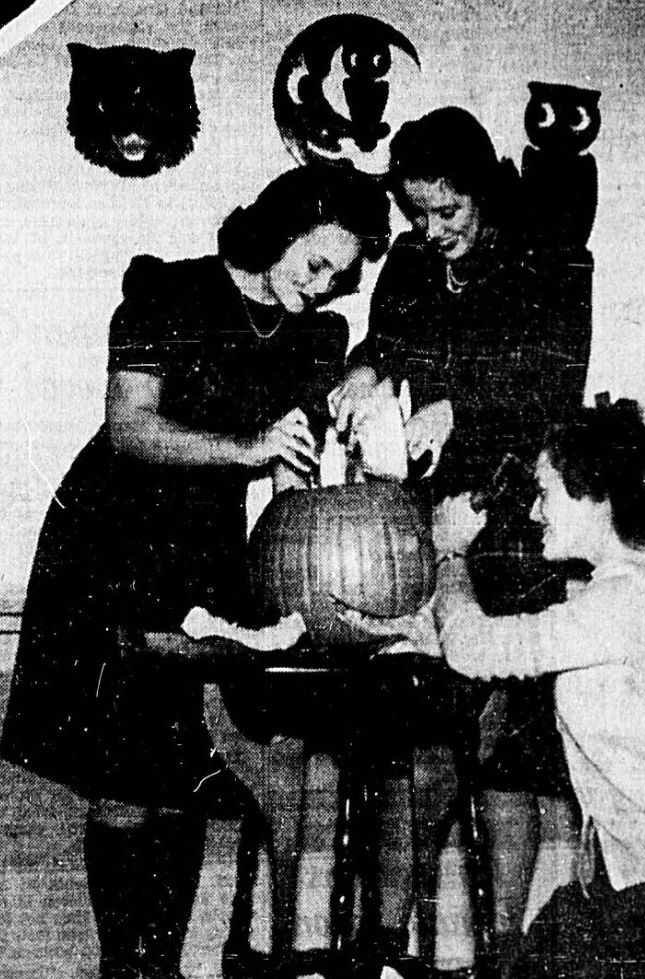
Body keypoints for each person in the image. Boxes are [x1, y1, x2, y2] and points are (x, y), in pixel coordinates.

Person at [0, 165, 390, 979]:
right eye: (314, 265)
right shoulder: (168, 292)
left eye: (339, 277)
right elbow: (128, 428)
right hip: (112, 541)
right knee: (124, 770)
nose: (322, 288)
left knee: (178, 764)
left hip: (200, 549)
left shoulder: (312, 337)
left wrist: (309, 561)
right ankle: (123, 967)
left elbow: (290, 469)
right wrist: (244, 450)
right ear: (281, 226)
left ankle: (164, 966)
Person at [346, 398, 645, 978]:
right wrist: (405, 626)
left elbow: (478, 649)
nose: (537, 512)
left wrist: (450, 551)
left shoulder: (636, 598)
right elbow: (507, 637)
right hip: (640, 889)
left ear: (593, 497)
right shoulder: (617, 590)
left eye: (546, 493)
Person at [329, 106, 592, 970]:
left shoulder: (545, 254)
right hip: (435, 519)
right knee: (418, 741)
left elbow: (555, 382)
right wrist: (366, 367)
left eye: (448, 211)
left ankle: (503, 950)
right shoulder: (408, 263)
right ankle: (385, 938)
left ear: (481, 191)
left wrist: (463, 406)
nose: (430, 229)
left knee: (511, 750)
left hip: (520, 514)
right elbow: (388, 338)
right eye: (416, 212)